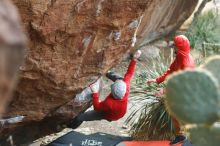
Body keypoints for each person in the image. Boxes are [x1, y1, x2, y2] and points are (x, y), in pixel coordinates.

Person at [68, 50, 142, 129]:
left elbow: (97, 107)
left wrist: (95, 93)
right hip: (120, 111)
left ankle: (71, 126)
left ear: (112, 92)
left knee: (81, 117)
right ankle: (106, 72)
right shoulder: (126, 86)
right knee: (120, 78)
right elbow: (129, 73)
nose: (117, 81)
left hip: (109, 115)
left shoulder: (109, 103)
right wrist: (134, 59)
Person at [147, 35, 195, 145]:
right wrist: (157, 80)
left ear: (180, 47)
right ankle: (180, 135)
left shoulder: (187, 63)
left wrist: (164, 91)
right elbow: (171, 70)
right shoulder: (179, 56)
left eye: (175, 46)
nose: (174, 48)